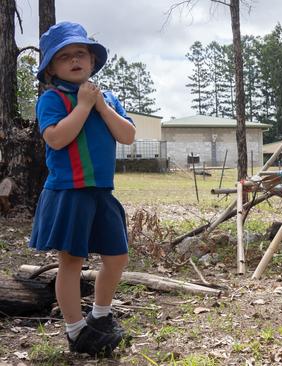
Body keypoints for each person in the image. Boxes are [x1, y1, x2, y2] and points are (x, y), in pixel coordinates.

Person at [30, 22, 136, 357]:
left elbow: (128, 136)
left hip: (101, 191)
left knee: (117, 256)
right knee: (72, 261)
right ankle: (76, 332)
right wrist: (84, 107)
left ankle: (100, 316)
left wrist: (101, 106)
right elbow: (57, 139)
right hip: (69, 192)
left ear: (92, 60)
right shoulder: (52, 99)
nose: (74, 60)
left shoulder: (109, 99)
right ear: (51, 68)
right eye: (64, 57)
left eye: (81, 54)